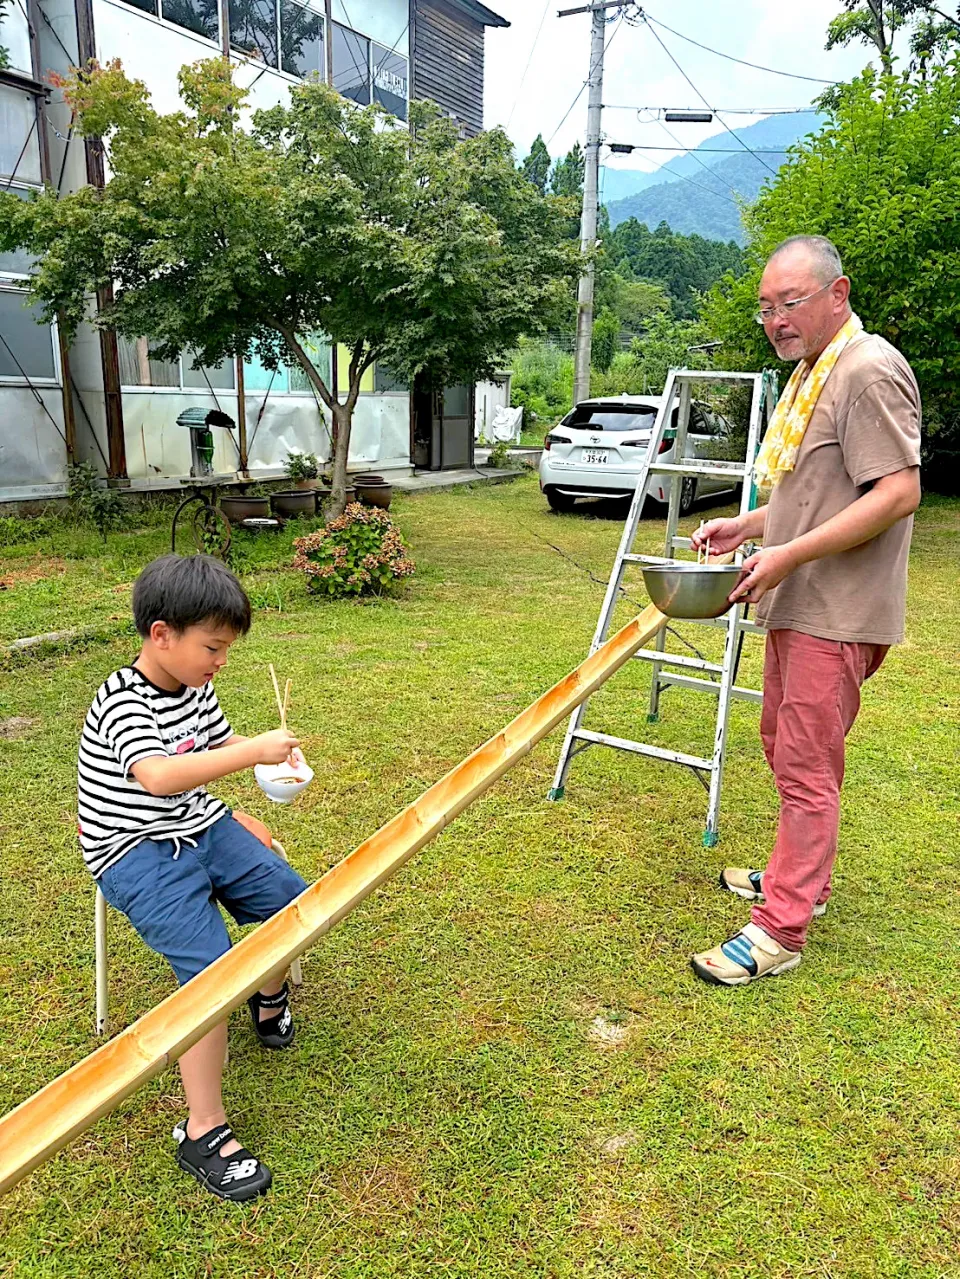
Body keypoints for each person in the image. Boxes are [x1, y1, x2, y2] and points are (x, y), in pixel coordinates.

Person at [689, 235, 921, 987]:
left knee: (807, 766)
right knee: (785, 746)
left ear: (837, 294)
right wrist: (750, 528)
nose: (776, 319)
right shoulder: (812, 375)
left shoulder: (867, 369)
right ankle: (802, 878)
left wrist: (787, 554)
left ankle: (780, 928)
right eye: (765, 307)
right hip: (798, 599)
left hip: (836, 607)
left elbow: (896, 492)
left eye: (790, 302)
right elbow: (811, 492)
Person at [78, 553, 309, 1199]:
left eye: (226, 648)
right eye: (212, 646)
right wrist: (252, 750)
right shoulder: (120, 699)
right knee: (210, 972)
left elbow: (213, 753)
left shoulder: (198, 688)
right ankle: (203, 1130)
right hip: (133, 849)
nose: (220, 661)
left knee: (296, 902)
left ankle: (267, 998)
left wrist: (266, 776)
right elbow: (157, 774)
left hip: (199, 823)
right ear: (161, 635)